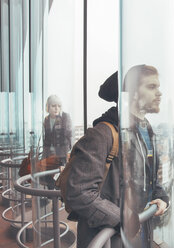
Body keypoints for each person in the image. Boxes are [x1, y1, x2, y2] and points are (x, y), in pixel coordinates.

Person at [65, 66, 168, 248]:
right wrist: (124, 218)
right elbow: (79, 192)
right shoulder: (102, 134)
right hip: (109, 239)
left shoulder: (147, 130)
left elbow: (150, 177)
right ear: (133, 93)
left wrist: (161, 197)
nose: (159, 93)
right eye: (151, 87)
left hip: (138, 235)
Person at [41, 95, 72, 189]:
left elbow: (69, 136)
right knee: (48, 177)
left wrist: (68, 155)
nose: (56, 108)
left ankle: (58, 198)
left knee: (60, 178)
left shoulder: (65, 117)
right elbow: (46, 139)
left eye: (58, 106)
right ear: (48, 107)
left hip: (61, 155)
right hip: (49, 155)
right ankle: (52, 196)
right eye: (53, 106)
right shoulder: (46, 119)